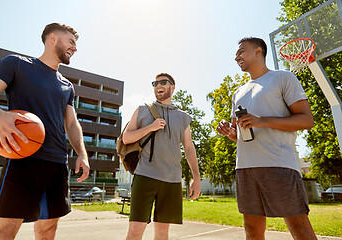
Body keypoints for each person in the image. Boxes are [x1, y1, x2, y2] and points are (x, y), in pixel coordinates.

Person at [0, 23, 90, 239]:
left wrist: (82, 154)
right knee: (5, 230)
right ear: (52, 38)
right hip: (24, 157)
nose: (75, 48)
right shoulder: (17, 64)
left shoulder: (67, 85)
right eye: (71, 42)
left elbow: (71, 123)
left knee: (48, 229)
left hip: (57, 162)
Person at [216, 37, 317, 240]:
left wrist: (262, 120)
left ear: (258, 51)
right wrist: (231, 133)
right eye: (236, 54)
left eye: (241, 52)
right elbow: (245, 136)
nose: (236, 57)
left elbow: (306, 120)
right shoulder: (238, 92)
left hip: (278, 164)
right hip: (245, 168)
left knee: (300, 230)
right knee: (252, 231)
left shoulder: (282, 78)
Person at [123, 73, 201, 240]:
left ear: (172, 87)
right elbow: (126, 138)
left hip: (172, 179)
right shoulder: (142, 109)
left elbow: (189, 147)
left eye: (163, 82)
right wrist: (149, 128)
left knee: (162, 232)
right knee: (135, 230)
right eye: (155, 82)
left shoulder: (183, 117)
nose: (158, 85)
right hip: (145, 175)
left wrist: (197, 177)